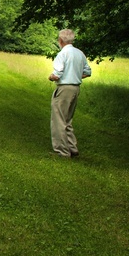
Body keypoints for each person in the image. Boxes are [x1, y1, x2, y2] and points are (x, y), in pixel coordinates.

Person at [49, 28, 92, 158]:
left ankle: (62, 151)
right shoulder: (80, 53)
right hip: (75, 88)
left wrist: (51, 77)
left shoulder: (62, 54)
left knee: (58, 119)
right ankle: (72, 148)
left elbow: (57, 74)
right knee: (67, 119)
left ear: (60, 40)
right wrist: (75, 76)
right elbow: (87, 72)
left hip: (64, 88)